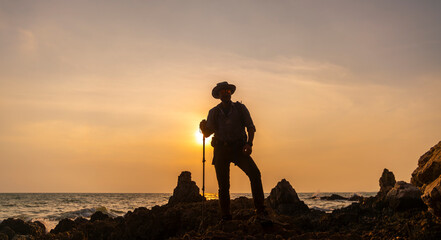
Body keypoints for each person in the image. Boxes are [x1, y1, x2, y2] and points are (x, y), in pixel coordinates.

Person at [199, 81, 270, 224]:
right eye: (222, 91)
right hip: (221, 150)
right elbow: (208, 133)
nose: (225, 93)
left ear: (230, 93)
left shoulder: (240, 108)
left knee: (255, 174)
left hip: (239, 148)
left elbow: (250, 127)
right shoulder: (214, 112)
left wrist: (249, 144)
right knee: (223, 185)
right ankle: (226, 216)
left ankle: (260, 210)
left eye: (227, 91)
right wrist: (202, 128)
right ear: (218, 95)